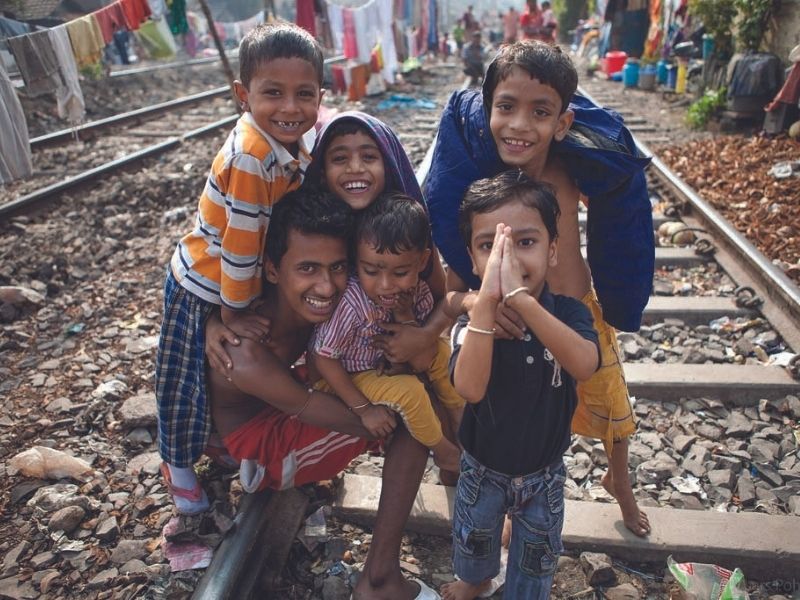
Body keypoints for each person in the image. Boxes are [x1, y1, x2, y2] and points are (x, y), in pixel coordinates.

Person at [424, 41, 654, 537]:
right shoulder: (484, 187)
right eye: (506, 108)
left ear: (563, 124)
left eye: (540, 112)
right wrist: (472, 304)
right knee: (512, 418)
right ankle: (505, 505)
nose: (520, 126)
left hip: (575, 314)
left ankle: (621, 483)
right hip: (508, 325)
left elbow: (621, 205)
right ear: (489, 111)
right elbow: (456, 282)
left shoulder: (569, 173)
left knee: (612, 403)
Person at [206, 189, 441, 600]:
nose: (328, 285)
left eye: (338, 268)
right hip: (264, 444)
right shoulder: (247, 350)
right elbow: (308, 405)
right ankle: (379, 579)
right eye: (309, 268)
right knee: (411, 423)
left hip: (288, 398)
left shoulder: (300, 306)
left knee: (413, 396)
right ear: (274, 270)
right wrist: (378, 413)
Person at [155, 21, 323, 515]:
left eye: (304, 94)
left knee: (210, 373)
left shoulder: (286, 144)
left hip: (231, 278)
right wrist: (232, 313)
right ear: (242, 94)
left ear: (320, 95)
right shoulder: (252, 154)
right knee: (182, 379)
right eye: (273, 93)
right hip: (204, 283)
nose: (290, 108)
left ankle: (215, 444)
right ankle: (180, 472)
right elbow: (241, 247)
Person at [441, 173, 600, 600]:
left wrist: (523, 301)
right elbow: (470, 389)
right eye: (489, 246)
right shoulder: (471, 322)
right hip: (482, 471)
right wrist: (488, 309)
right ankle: (475, 579)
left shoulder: (566, 313)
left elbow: (585, 365)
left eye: (524, 243)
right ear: (474, 262)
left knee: (534, 561)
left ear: (552, 251)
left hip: (543, 475)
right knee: (475, 540)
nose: (506, 259)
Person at [310, 193, 464, 475]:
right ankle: (445, 452)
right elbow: (323, 358)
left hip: (382, 367)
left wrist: (405, 317)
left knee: (444, 354)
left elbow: (421, 358)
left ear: (422, 262)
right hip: (347, 376)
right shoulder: (352, 302)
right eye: (371, 271)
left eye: (401, 272)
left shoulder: (416, 292)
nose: (386, 285)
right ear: (357, 263)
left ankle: (458, 416)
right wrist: (364, 409)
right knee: (411, 392)